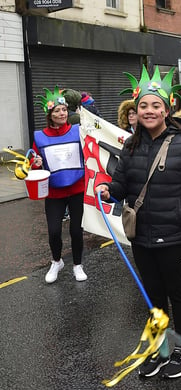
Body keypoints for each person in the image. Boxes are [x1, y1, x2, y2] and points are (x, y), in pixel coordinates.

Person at [95, 66, 181, 379]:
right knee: (153, 295)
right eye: (144, 105)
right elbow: (119, 188)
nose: (149, 110)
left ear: (167, 109)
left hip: (174, 236)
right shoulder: (129, 146)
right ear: (136, 109)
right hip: (140, 236)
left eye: (155, 105)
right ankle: (161, 348)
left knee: (178, 293)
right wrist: (105, 188)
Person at [31, 86, 87, 284]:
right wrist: (35, 163)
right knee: (54, 231)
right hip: (54, 192)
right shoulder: (39, 136)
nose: (62, 113)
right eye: (57, 111)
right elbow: (33, 161)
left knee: (76, 230)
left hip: (77, 189)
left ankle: (77, 265)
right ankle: (57, 261)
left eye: (64, 109)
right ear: (50, 115)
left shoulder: (78, 131)